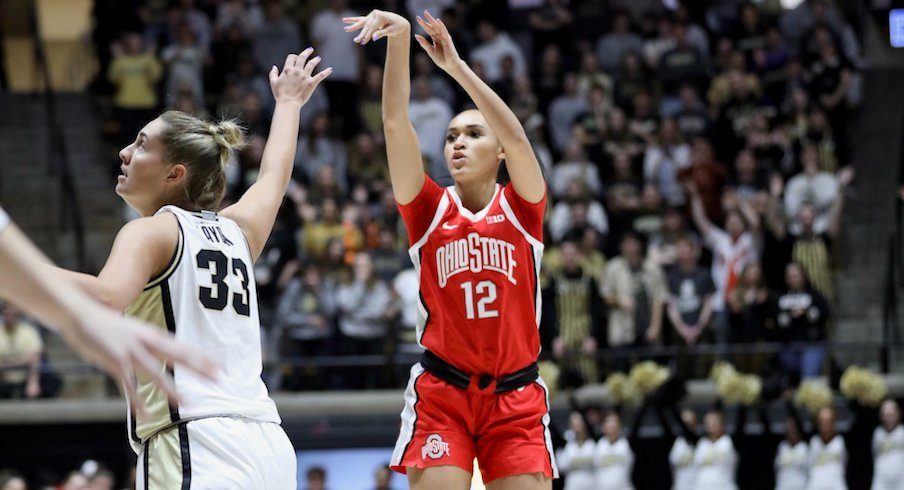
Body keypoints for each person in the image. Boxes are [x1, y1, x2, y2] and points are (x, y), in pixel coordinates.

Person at [55, 49, 331, 488]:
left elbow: (106, 298)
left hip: (194, 441)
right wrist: (290, 104)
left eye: (142, 144)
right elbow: (273, 178)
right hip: (269, 445)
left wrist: (15, 267)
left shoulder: (151, 232)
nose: (125, 152)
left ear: (174, 173)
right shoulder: (238, 231)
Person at [344, 9, 556, 489]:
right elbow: (396, 124)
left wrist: (456, 68)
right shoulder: (426, 210)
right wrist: (399, 40)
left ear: (498, 150)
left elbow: (519, 136)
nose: (457, 144)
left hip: (516, 397)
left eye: (474, 134)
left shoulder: (523, 207)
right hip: (444, 393)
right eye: (451, 136)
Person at [0, 207, 216, 408]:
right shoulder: (234, 226)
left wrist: (80, 316)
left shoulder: (148, 230)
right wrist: (80, 316)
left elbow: (108, 296)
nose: (123, 162)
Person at [872, 399, 904, 490]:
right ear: (881, 416)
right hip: (881, 481)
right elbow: (874, 453)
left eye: (891, 415)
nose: (889, 418)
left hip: (901, 481)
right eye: (886, 415)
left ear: (898, 414)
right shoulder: (877, 433)